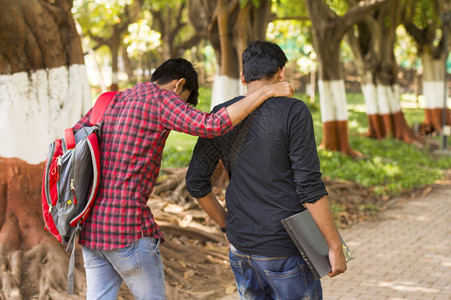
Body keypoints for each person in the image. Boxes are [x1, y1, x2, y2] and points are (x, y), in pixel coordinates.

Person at [72, 57, 294, 300]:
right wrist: (266, 92)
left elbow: (74, 142)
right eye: (183, 101)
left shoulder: (111, 100)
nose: (180, 106)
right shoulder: (160, 98)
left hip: (91, 229)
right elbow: (212, 125)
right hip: (126, 229)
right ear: (179, 84)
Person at [186, 42, 347, 300]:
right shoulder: (294, 111)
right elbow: (309, 186)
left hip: (241, 249)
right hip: (285, 250)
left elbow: (196, 182)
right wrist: (334, 245)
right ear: (281, 73)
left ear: (242, 76)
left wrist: (228, 227)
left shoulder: (221, 115)